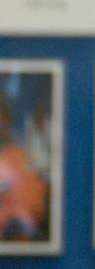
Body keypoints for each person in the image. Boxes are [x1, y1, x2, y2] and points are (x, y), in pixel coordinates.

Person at [0, 95, 47, 242]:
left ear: (8, 121)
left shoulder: (23, 158)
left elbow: (34, 207)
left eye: (2, 118)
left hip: (16, 242)